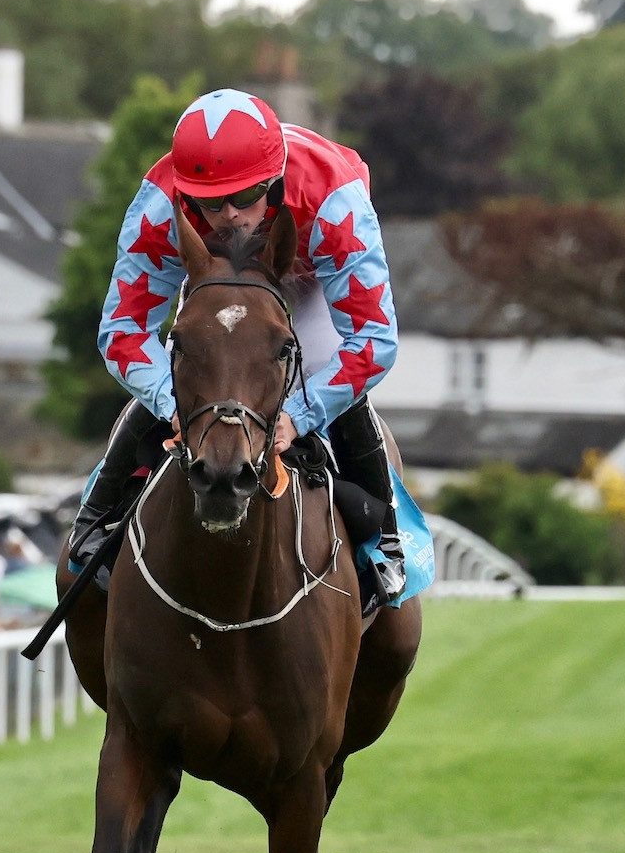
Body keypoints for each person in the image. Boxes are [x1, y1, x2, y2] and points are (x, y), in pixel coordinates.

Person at [72, 88, 407, 601]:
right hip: (217, 278)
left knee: (319, 358)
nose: (228, 216)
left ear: (275, 184)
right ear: (186, 195)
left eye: (245, 198)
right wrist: (173, 403)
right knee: (193, 358)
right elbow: (122, 332)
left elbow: (374, 340)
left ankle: (382, 540)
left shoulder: (335, 201)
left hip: (311, 273)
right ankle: (95, 515)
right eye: (208, 203)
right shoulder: (160, 208)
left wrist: (299, 415)